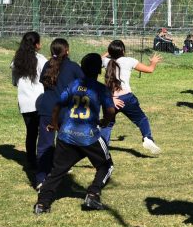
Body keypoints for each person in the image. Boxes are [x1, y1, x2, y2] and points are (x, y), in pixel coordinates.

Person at [33, 53, 116, 214]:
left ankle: (42, 204)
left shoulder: (73, 85)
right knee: (106, 166)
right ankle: (93, 194)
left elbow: (57, 106)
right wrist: (106, 121)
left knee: (57, 171)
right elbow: (111, 110)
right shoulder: (100, 89)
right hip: (88, 136)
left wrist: (54, 123)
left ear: (82, 69)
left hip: (66, 135)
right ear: (99, 70)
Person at [35, 38, 85, 190]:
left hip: (47, 109)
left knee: (45, 145)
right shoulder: (73, 67)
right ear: (67, 50)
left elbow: (43, 83)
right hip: (65, 111)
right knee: (67, 144)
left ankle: (41, 179)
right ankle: (60, 174)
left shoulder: (47, 65)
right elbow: (84, 85)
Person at [101, 40, 162, 155]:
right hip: (126, 98)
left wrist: (107, 53)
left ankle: (103, 148)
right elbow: (150, 70)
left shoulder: (105, 61)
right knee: (141, 119)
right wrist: (153, 62)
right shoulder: (129, 61)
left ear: (110, 52)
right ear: (123, 51)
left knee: (107, 124)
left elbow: (97, 60)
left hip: (110, 99)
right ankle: (147, 138)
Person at [11, 31, 48, 171]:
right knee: (45, 132)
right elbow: (46, 78)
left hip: (25, 102)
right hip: (40, 101)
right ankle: (45, 160)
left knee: (31, 133)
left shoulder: (16, 61)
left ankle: (31, 161)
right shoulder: (41, 59)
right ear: (37, 45)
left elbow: (14, 82)